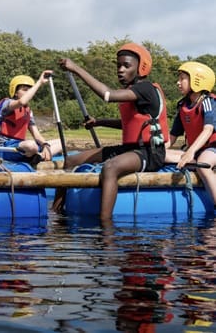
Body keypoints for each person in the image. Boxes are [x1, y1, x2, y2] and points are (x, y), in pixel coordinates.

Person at [52, 43, 169, 220]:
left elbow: (107, 95)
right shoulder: (130, 91)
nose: (120, 70)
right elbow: (129, 125)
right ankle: (56, 213)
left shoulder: (145, 89)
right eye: (118, 65)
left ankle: (105, 226)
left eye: (126, 66)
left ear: (141, 68)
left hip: (150, 152)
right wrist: (99, 122)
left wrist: (76, 68)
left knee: (110, 168)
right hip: (130, 150)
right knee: (70, 160)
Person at [165, 61, 216, 207]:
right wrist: (158, 150)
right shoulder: (183, 106)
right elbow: (173, 136)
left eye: (182, 78)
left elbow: (208, 130)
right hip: (195, 152)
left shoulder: (208, 102)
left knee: (203, 165)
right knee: (160, 155)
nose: (178, 82)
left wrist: (190, 152)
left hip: (212, 148)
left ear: (197, 81)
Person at [0, 71, 64, 164]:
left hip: (21, 147)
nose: (28, 92)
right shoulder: (7, 103)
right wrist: (40, 82)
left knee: (62, 142)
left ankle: (40, 156)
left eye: (30, 89)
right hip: (5, 148)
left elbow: (37, 135)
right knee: (31, 145)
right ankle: (37, 155)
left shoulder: (28, 112)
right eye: (25, 89)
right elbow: (22, 101)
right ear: (15, 92)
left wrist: (45, 145)